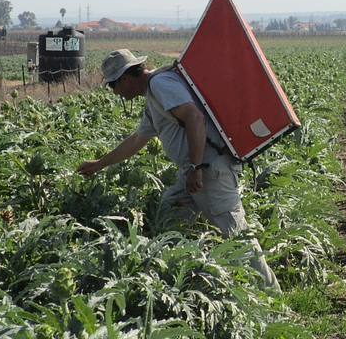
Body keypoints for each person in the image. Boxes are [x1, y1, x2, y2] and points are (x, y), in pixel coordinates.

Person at [76, 49, 280, 292]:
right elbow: (138, 140)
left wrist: (196, 167)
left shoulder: (161, 84)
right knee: (167, 218)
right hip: (193, 172)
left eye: (112, 86)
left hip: (209, 171)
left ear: (124, 79)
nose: (114, 92)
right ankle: (176, 284)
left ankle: (271, 296)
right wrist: (99, 164)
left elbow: (194, 117)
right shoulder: (153, 95)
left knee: (238, 238)